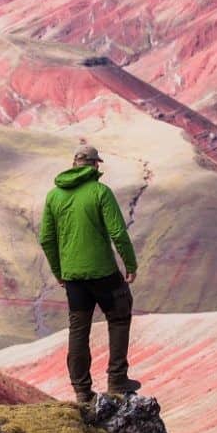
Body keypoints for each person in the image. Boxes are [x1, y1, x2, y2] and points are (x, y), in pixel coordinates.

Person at [39, 144, 141, 403]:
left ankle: (82, 390)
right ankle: (117, 379)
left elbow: (47, 239)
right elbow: (118, 233)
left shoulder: (54, 196)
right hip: (104, 273)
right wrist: (130, 264)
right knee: (119, 316)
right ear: (96, 165)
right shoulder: (100, 192)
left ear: (74, 164)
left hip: (73, 277)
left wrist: (59, 272)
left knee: (78, 328)